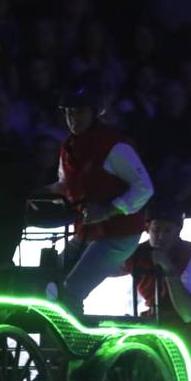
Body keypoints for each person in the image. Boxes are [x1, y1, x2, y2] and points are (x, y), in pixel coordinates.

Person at [42, 72, 153, 313]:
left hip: (119, 234)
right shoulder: (68, 147)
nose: (74, 118)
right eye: (69, 112)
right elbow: (64, 185)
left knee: (71, 290)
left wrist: (108, 210)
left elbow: (144, 187)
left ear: (94, 112)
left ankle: (71, 349)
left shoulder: (114, 147)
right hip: (87, 231)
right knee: (47, 280)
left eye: (80, 112)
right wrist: (33, 194)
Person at [122, 198, 191, 381]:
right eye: (155, 230)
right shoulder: (139, 254)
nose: (160, 236)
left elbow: (188, 313)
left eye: (167, 231)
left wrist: (168, 270)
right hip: (153, 329)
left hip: (188, 337)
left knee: (170, 354)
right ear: (148, 229)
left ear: (178, 231)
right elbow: (110, 266)